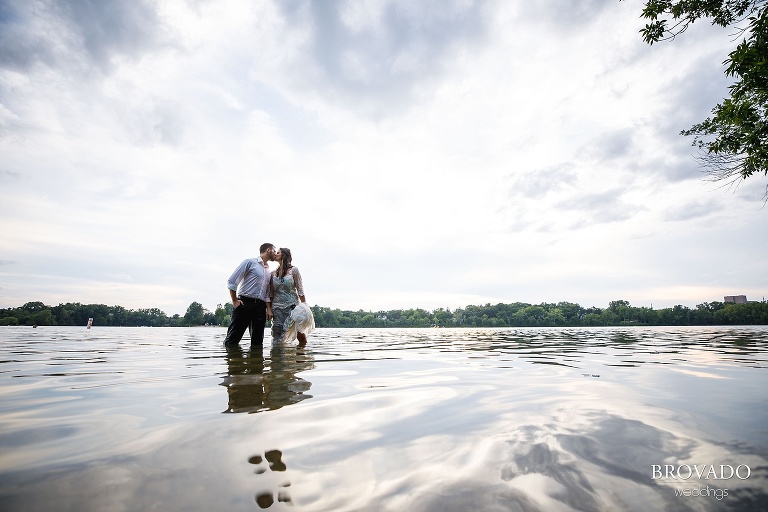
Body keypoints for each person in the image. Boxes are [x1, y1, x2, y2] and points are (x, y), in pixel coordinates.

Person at [224, 243, 276, 347]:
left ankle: (256, 362)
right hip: (245, 303)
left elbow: (266, 294)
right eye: (274, 251)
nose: (275, 254)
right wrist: (234, 300)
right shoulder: (250, 262)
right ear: (268, 250)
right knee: (233, 339)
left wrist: (268, 309)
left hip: (260, 308)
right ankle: (231, 360)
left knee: (257, 342)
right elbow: (232, 281)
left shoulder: (267, 271)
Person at [268, 248, 314, 347]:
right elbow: (271, 293)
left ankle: (302, 356)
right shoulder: (272, 274)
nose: (275, 254)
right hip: (277, 308)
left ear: (284, 255)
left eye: (278, 252)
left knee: (299, 333)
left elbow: (300, 290)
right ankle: (277, 359)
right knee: (276, 333)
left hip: (292, 307)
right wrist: (269, 309)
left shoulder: (294, 270)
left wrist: (305, 307)